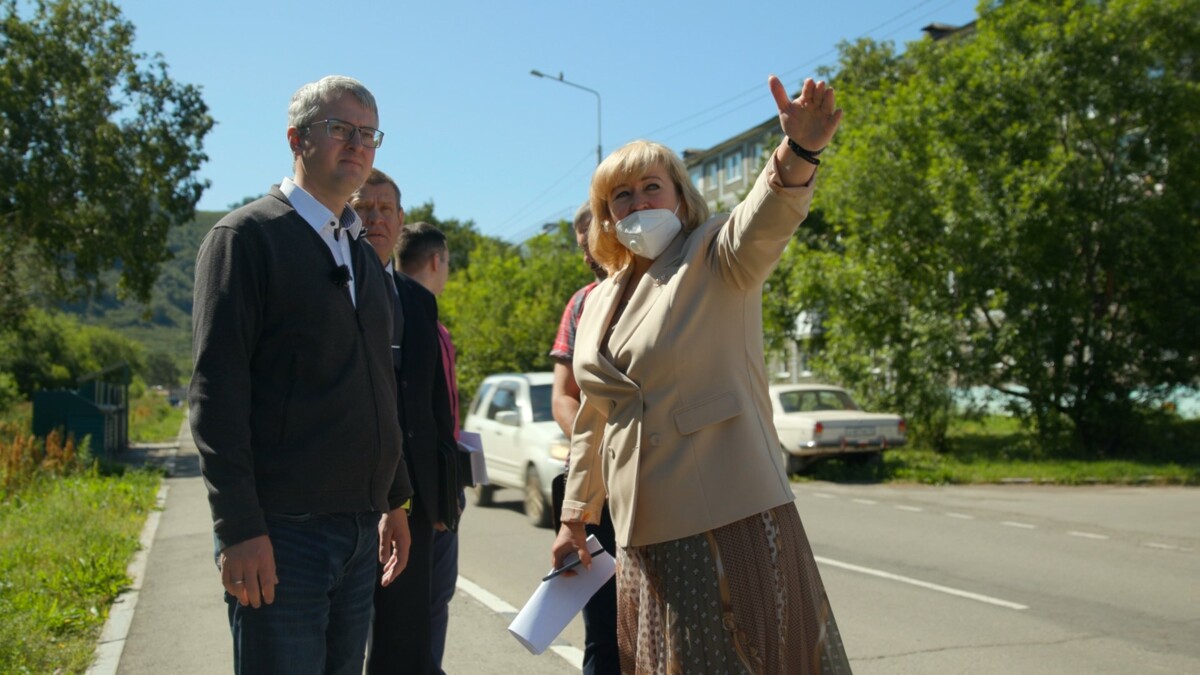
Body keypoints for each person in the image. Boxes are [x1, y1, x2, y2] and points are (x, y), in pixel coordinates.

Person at [551, 75, 852, 674]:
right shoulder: (596, 301)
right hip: (643, 529)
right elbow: (594, 421)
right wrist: (574, 519)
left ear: (681, 198)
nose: (638, 204)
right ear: (606, 217)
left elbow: (766, 218)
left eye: (650, 188)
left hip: (731, 515)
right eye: (622, 197)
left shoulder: (714, 254)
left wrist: (800, 152)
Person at [190, 75, 412, 674]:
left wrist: (394, 499)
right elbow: (216, 393)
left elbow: (377, 385)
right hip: (283, 534)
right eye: (340, 129)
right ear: (296, 138)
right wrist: (238, 528)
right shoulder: (247, 237)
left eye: (368, 134)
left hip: (361, 530)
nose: (357, 144)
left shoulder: (361, 254)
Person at [352, 171, 457, 675]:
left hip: (411, 501)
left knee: (405, 644)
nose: (374, 218)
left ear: (399, 221)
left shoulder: (418, 301)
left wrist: (440, 501)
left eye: (384, 209)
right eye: (362, 208)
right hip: (340, 500)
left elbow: (434, 409)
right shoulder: (326, 286)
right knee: (340, 641)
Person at [548, 202, 618, 675]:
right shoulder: (582, 302)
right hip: (598, 492)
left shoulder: (668, 283)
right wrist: (600, 449)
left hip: (665, 486)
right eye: (581, 247)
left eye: (593, 239)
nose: (589, 255)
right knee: (605, 632)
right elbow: (562, 398)